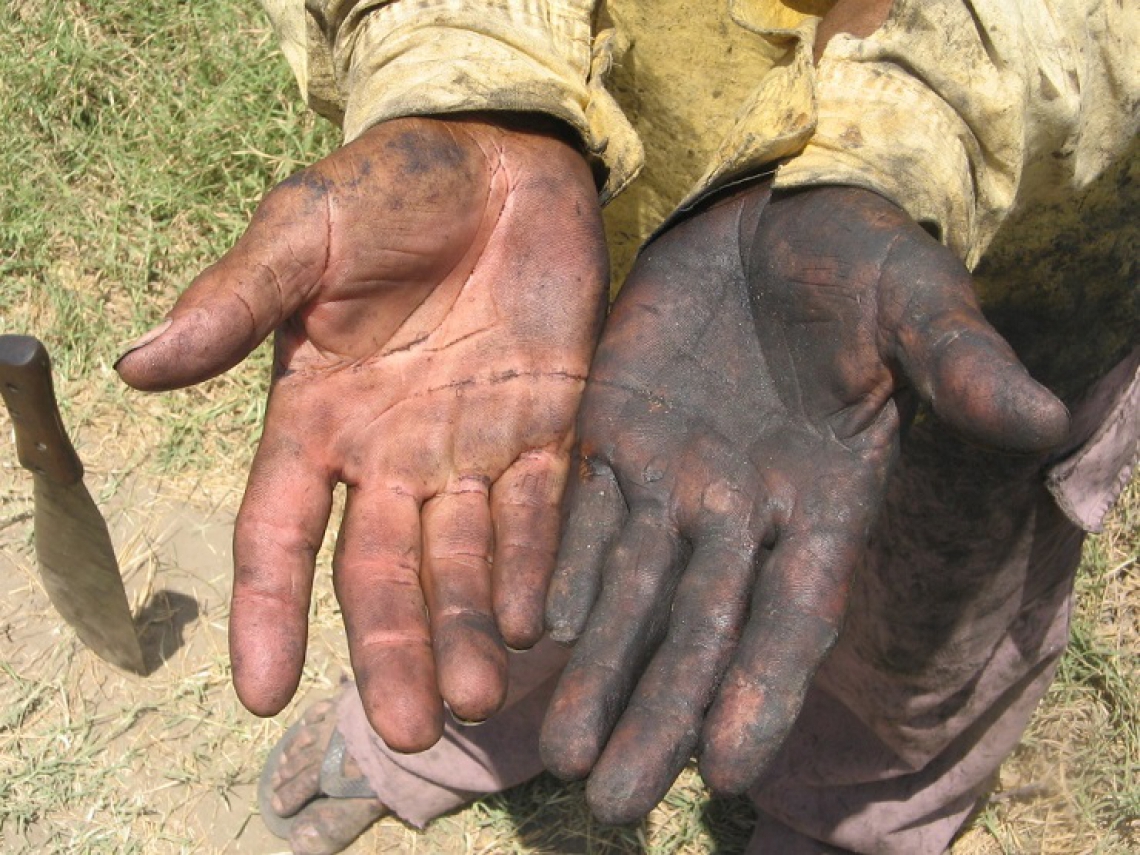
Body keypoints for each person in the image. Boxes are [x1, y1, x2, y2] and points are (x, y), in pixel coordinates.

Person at [115, 1, 1138, 853]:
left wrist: (903, 132)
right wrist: (472, 68)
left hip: (1040, 206)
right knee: (535, 494)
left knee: (933, 591)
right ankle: (465, 731)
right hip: (605, 189)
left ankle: (855, 807)